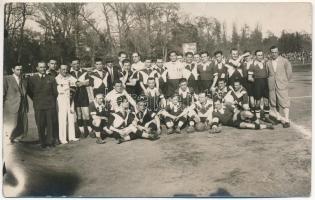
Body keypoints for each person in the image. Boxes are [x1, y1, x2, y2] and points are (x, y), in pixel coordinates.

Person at [27, 61, 58, 148]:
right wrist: (36, 99)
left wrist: (50, 100)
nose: (43, 69)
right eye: (40, 67)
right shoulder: (32, 78)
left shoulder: (51, 78)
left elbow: (55, 92)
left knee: (50, 124)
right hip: (38, 105)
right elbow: (29, 91)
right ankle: (42, 142)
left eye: (44, 67)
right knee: (40, 124)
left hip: (49, 105)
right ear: (37, 68)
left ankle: (50, 142)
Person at [266, 45, 292, 128]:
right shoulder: (268, 63)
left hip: (282, 85)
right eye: (272, 52)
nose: (274, 54)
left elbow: (289, 73)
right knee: (273, 103)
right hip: (272, 85)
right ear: (270, 53)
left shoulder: (285, 61)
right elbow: (267, 74)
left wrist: (284, 81)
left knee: (284, 102)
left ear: (278, 52)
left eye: (275, 52)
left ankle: (287, 120)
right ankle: (278, 118)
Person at [3, 64, 29, 144]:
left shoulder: (23, 79)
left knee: (23, 123)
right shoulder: (7, 79)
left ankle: (17, 137)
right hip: (11, 104)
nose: (20, 71)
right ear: (13, 69)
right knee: (12, 123)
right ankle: (6, 138)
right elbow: (3, 93)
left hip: (22, 105)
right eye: (17, 69)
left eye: (21, 69)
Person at [55, 64, 79, 144]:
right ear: (59, 70)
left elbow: (77, 83)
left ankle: (72, 136)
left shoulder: (69, 76)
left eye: (66, 69)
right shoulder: (56, 78)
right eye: (63, 69)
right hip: (61, 99)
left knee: (71, 117)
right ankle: (62, 138)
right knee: (62, 119)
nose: (65, 71)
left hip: (71, 99)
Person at [69, 58, 92, 137]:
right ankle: (82, 132)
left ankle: (90, 131)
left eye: (77, 63)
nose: (76, 65)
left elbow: (89, 81)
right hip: (75, 96)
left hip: (83, 95)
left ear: (80, 63)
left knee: (87, 114)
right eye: (74, 64)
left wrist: (82, 83)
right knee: (78, 114)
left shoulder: (84, 72)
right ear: (71, 65)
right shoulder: (69, 73)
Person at [251, 50, 271, 121]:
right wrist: (256, 83)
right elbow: (250, 77)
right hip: (257, 83)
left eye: (261, 55)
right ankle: (258, 118)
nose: (260, 56)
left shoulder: (265, 63)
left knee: (266, 101)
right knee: (258, 101)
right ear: (255, 56)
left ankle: (267, 117)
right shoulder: (252, 64)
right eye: (258, 55)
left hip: (265, 83)